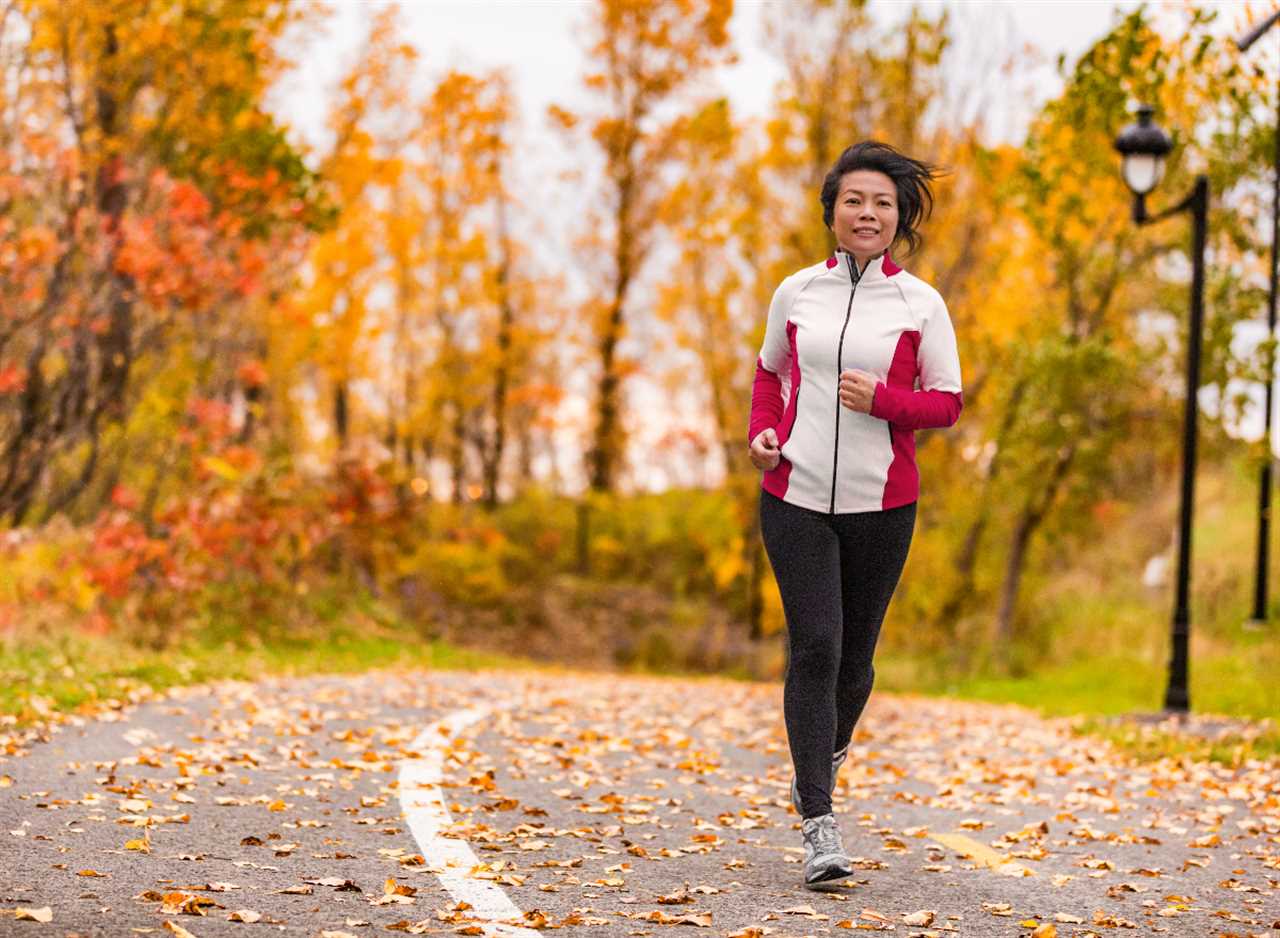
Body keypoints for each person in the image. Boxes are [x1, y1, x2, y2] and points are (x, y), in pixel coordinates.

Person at [747, 141, 962, 888]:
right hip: (794, 495)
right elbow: (770, 372)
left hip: (883, 503)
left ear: (899, 216)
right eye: (853, 201)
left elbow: (947, 402)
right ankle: (819, 820)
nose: (866, 213)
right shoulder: (797, 291)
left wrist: (887, 402)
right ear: (832, 212)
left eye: (881, 203)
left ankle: (823, 751)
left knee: (856, 663)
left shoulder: (920, 304)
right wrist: (762, 435)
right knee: (815, 648)